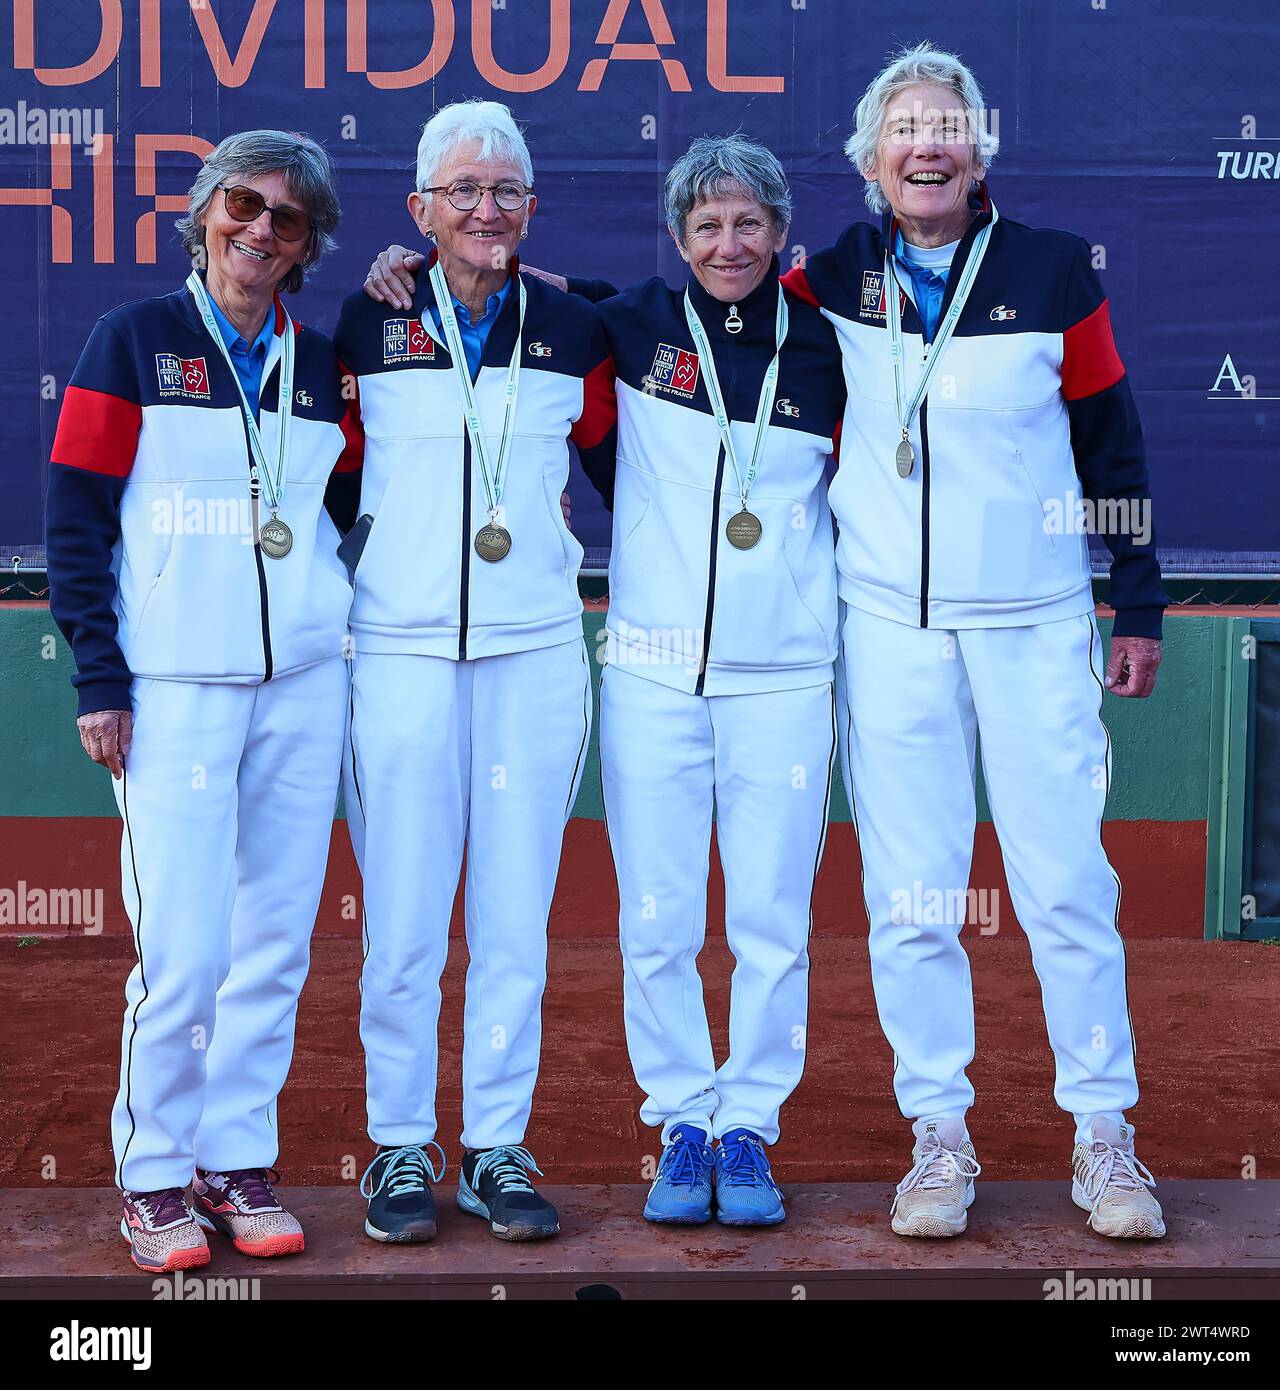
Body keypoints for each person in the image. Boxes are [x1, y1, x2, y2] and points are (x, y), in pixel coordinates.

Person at [365, 132, 845, 1228]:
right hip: (648, 668)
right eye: (707, 224)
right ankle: (681, 1118)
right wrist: (407, 262)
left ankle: (748, 1127)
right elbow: (500, 282)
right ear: (678, 239)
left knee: (770, 916)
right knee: (659, 914)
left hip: (783, 673)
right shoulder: (620, 327)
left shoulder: (831, 348)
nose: (728, 243)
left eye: (748, 222)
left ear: (780, 233)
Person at [782, 42, 1169, 1238]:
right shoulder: (826, 279)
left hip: (1035, 627)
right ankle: (937, 1136)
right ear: (868, 158)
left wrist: (1139, 596)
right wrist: (455, 269)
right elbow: (682, 310)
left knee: (1063, 887)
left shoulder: (1054, 272)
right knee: (914, 898)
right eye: (904, 126)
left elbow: (1111, 441)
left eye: (947, 123)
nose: (926, 143)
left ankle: (1104, 1136)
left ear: (980, 147)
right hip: (890, 631)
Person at [46, 130, 356, 1271]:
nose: (260, 229)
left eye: (287, 217)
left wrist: (321, 602)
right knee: (181, 947)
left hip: (303, 686)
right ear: (206, 214)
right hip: (172, 689)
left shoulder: (323, 365)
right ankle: (154, 1173)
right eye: (243, 204)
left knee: (272, 941)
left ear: (308, 243)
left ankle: (235, 1158)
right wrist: (99, 676)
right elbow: (77, 517)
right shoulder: (129, 341)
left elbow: (350, 507)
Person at [333, 99, 616, 1245]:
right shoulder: (364, 325)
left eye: (505, 191)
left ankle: (496, 1142)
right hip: (396, 653)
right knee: (401, 917)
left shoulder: (579, 332)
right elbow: (330, 486)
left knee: (513, 919)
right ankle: (400, 1144)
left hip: (536, 657)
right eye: (462, 191)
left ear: (531, 206)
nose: (485, 209)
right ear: (419, 210)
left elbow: (628, 466)